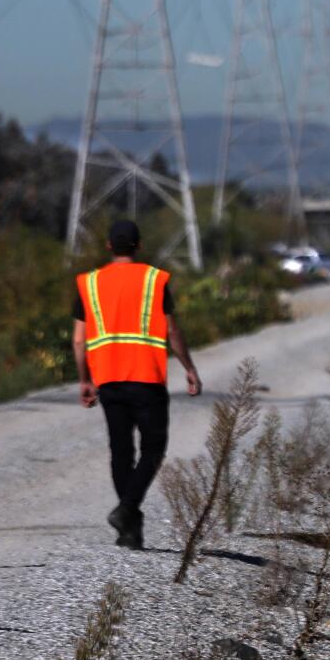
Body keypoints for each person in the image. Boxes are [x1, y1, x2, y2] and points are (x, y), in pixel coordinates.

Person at [72, 219, 202, 550]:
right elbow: (172, 332)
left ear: (108, 246)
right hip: (146, 376)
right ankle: (128, 509)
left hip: (108, 378)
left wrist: (85, 379)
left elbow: (78, 340)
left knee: (121, 451)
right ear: (139, 246)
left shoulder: (89, 283)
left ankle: (130, 528)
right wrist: (189, 368)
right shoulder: (154, 280)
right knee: (154, 449)